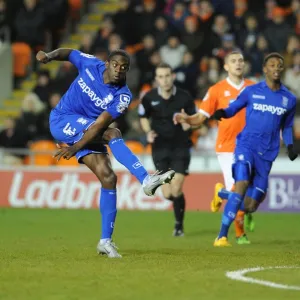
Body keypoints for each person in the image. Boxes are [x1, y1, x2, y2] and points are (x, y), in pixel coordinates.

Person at [36, 48, 175, 258]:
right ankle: (145, 179)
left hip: (87, 131)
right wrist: (49, 56)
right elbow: (70, 52)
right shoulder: (91, 64)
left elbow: (99, 124)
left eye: (124, 67)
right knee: (113, 133)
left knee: (109, 178)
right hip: (62, 119)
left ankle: (105, 241)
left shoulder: (123, 96)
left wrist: (77, 146)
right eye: (116, 65)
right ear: (107, 63)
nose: (119, 70)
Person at [212, 52, 298, 246]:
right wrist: (223, 112)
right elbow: (234, 107)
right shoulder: (252, 91)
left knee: (250, 206)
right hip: (246, 145)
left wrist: (291, 145)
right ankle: (222, 236)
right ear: (265, 69)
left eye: (279, 65)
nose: (276, 68)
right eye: (272, 65)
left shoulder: (289, 99)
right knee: (241, 183)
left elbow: (287, 126)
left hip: (267, 154)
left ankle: (222, 193)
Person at [174, 51, 255, 244]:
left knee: (249, 194)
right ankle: (229, 235)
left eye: (240, 60)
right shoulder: (217, 90)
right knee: (238, 191)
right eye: (233, 61)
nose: (238, 63)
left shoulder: (254, 88)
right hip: (227, 147)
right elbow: (201, 118)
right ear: (226, 66)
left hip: (250, 146)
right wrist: (187, 119)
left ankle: (220, 193)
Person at [139, 63, 197, 237]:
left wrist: (186, 122)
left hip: (180, 147)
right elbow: (143, 117)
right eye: (161, 77)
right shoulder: (148, 97)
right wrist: (148, 132)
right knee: (167, 193)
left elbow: (193, 121)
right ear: (157, 79)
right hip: (159, 149)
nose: (164, 80)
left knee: (176, 187)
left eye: (167, 76)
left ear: (173, 76)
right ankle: (179, 202)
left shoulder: (184, 98)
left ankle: (179, 226)